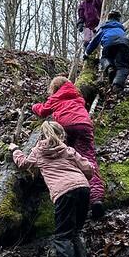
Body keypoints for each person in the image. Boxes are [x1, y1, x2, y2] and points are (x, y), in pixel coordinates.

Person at [8, 120, 93, 257]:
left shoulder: (38, 151)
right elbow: (87, 168)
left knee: (62, 236)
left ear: (42, 135)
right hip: (83, 188)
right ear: (61, 135)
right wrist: (84, 179)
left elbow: (23, 164)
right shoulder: (68, 150)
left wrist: (15, 150)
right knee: (76, 230)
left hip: (63, 193)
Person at [31, 76, 106, 219]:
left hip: (65, 127)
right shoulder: (78, 97)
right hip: (84, 125)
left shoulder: (55, 98)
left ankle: (67, 189)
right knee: (88, 158)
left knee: (65, 156)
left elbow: (42, 111)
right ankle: (96, 199)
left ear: (54, 88)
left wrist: (34, 106)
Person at [84, 9, 129, 93]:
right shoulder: (120, 28)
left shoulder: (104, 28)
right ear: (118, 19)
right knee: (123, 66)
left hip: (108, 44)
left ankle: (109, 67)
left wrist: (86, 53)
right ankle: (117, 85)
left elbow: (94, 42)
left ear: (108, 18)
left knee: (105, 58)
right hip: (123, 43)